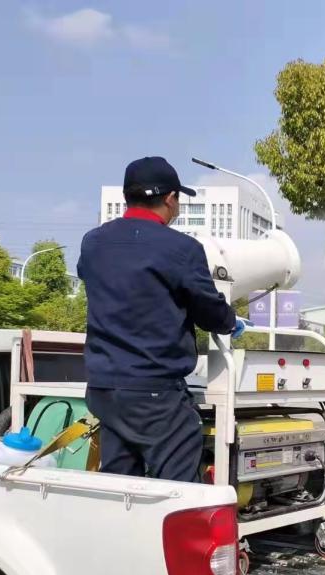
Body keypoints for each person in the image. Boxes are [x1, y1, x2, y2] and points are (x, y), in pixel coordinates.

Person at [78, 156, 247, 481]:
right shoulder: (181, 248)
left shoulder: (93, 242)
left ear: (127, 196)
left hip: (104, 390)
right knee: (180, 491)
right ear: (170, 199)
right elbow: (208, 310)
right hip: (154, 394)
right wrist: (230, 322)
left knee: (119, 484)